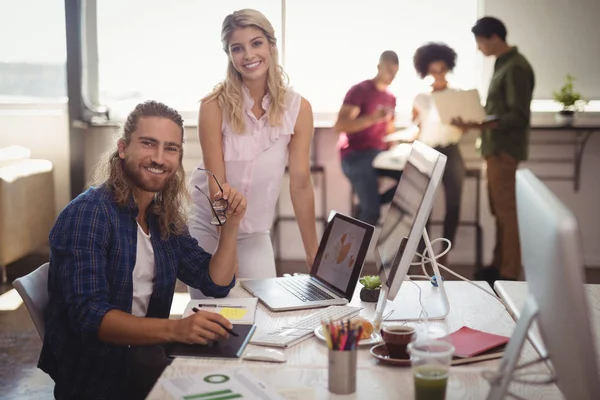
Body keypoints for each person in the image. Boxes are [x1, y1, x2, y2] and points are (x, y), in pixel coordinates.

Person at [38, 101, 248, 400]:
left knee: (239, 374)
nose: (160, 158)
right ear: (123, 148)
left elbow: (214, 282)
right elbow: (90, 316)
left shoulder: (160, 215)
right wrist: (176, 331)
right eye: (149, 144)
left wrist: (230, 225)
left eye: (171, 148)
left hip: (144, 356)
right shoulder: (88, 214)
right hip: (101, 378)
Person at [188, 9, 319, 298]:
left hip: (256, 230)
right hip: (209, 225)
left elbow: (300, 182)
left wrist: (314, 255)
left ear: (272, 46)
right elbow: (216, 186)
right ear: (229, 55)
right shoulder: (212, 106)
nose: (248, 55)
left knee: (263, 309)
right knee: (213, 311)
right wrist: (227, 254)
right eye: (238, 48)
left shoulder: (299, 109)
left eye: (256, 43)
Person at [452, 16, 535, 284]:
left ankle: (509, 273)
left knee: (507, 212)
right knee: (499, 212)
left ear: (493, 37)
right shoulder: (503, 65)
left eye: (479, 42)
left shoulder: (516, 68)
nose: (479, 48)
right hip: (494, 149)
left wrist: (477, 123)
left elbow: (517, 116)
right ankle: (498, 266)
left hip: (504, 150)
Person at [411, 42, 465, 268]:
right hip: (427, 151)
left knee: (454, 203)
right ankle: (422, 255)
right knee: (424, 207)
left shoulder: (459, 95)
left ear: (448, 67)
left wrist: (464, 123)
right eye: (433, 70)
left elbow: (468, 125)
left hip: (452, 151)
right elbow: (414, 126)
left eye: (442, 69)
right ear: (426, 71)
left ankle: (445, 255)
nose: (438, 74)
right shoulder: (421, 98)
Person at [334, 50, 401, 226]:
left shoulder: (391, 97)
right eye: (388, 71)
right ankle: (366, 210)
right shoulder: (360, 91)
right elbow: (340, 126)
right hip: (355, 155)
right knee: (372, 214)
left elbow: (389, 130)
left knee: (412, 178)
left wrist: (396, 147)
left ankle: (367, 204)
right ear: (379, 67)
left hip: (379, 155)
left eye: (395, 73)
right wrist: (373, 118)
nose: (391, 77)